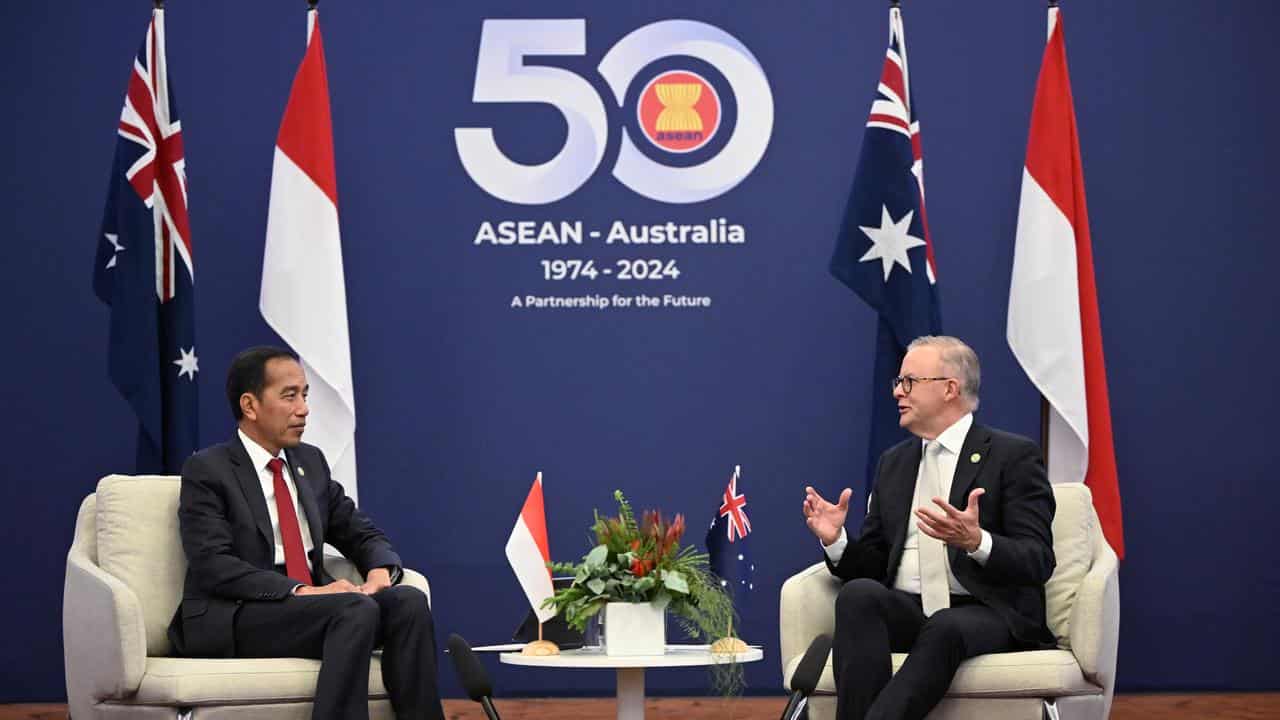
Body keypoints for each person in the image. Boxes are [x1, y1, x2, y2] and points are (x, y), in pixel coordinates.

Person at [167, 346, 445, 720]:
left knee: (408, 602)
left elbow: (360, 532)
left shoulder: (309, 462)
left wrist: (381, 571)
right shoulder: (208, 469)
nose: (304, 408)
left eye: (305, 394)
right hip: (241, 612)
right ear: (250, 406)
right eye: (289, 396)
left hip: (315, 609)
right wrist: (305, 591)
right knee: (352, 608)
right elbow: (213, 565)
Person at [802, 336, 1056, 720]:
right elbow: (873, 567)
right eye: (897, 382)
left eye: (909, 382)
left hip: (986, 610)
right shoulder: (894, 462)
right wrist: (836, 540)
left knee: (946, 626)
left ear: (949, 388)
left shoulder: (1012, 456)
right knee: (859, 595)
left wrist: (977, 542)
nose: (897, 393)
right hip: (910, 606)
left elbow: (1038, 560)